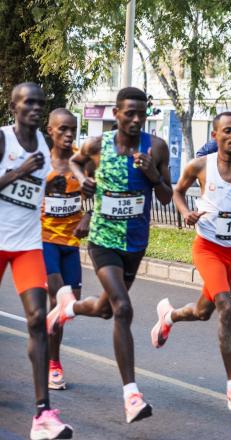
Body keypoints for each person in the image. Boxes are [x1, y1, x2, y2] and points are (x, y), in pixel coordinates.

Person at [46, 87, 173, 424]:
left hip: (135, 242)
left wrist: (153, 175)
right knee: (122, 308)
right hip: (103, 239)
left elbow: (165, 197)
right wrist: (83, 178)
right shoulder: (98, 145)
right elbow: (75, 161)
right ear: (115, 114)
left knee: (104, 309)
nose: (134, 119)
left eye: (140, 114)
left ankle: (67, 307)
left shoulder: (156, 147)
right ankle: (131, 395)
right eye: (128, 113)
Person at [150, 112, 231, 413]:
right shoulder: (200, 166)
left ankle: (169, 317)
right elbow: (177, 192)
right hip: (208, 248)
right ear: (216, 135)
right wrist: (185, 213)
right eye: (227, 131)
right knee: (226, 308)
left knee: (204, 312)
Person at [0, 83, 73, 439]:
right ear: (14, 106)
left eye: (40, 104)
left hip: (28, 244)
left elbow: (37, 191)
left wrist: (60, 189)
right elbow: (17, 179)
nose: (35, 108)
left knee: (36, 318)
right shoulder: (3, 140)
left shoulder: (44, 145)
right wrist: (19, 170)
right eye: (28, 102)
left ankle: (43, 414)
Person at [41, 109, 91, 391]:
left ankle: (42, 329)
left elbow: (99, 191)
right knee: (59, 299)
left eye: (73, 129)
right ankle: (53, 364)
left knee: (72, 305)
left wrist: (88, 216)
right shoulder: (41, 162)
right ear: (51, 131)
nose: (69, 134)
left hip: (71, 243)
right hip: (44, 240)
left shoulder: (81, 160)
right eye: (63, 129)